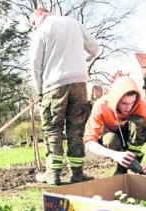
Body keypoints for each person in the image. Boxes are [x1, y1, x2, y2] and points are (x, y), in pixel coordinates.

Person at [29, 7, 99, 185]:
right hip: (79, 83)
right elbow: (95, 49)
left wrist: (40, 90)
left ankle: (53, 173)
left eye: (33, 23)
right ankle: (77, 173)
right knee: (76, 129)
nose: (33, 27)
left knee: (53, 129)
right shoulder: (74, 23)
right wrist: (83, 60)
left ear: (40, 15)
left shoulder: (42, 30)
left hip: (54, 85)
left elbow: (35, 65)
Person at [84, 75, 146, 175]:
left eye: (132, 102)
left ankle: (132, 163)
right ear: (115, 99)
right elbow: (89, 141)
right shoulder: (101, 105)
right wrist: (114, 154)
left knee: (139, 123)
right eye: (124, 103)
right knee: (110, 139)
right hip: (113, 138)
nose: (128, 108)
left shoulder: (142, 105)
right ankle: (121, 166)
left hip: (132, 135)